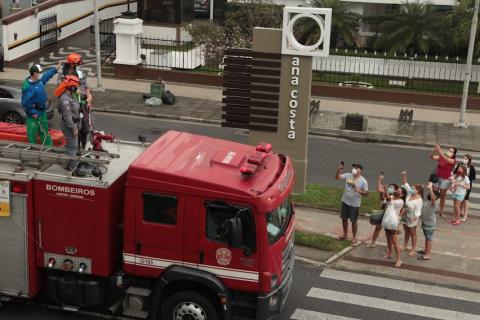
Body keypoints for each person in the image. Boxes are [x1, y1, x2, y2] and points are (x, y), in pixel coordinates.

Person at [21, 63, 62, 146]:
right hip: (34, 115)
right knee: (32, 134)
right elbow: (25, 102)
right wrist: (33, 112)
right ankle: (33, 151)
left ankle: (49, 148)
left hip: (42, 112)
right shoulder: (28, 87)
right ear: (34, 74)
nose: (40, 74)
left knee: (44, 132)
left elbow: (46, 76)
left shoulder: (38, 81)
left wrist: (55, 69)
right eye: (39, 73)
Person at [59, 53, 93, 150]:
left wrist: (89, 98)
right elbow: (61, 93)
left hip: (82, 104)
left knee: (85, 128)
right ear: (72, 64)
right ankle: (75, 149)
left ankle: (82, 147)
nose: (79, 67)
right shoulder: (63, 76)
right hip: (72, 106)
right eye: (77, 65)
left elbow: (85, 86)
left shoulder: (80, 72)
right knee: (74, 130)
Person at [335, 162, 369, 246]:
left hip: (354, 204)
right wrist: (339, 170)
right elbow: (337, 177)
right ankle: (345, 234)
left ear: (360, 171)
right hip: (345, 201)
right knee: (344, 218)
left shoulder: (363, 181)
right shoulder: (348, 175)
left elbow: (367, 193)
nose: (355, 169)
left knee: (353, 221)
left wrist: (359, 191)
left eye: (357, 168)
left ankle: (354, 237)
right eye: (354, 167)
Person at [55, 75, 82, 172]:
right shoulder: (64, 99)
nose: (76, 88)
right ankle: (72, 167)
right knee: (72, 147)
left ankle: (69, 163)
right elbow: (67, 115)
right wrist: (73, 128)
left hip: (74, 124)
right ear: (71, 87)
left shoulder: (70, 95)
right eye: (75, 86)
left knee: (71, 146)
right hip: (69, 126)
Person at [367, 172, 398, 248]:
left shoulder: (394, 197)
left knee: (389, 232)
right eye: (390, 187)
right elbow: (378, 188)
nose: (390, 188)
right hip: (381, 214)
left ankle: (391, 247)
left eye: (392, 187)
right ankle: (372, 242)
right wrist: (379, 180)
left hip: (389, 216)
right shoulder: (383, 193)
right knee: (377, 228)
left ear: (395, 190)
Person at [430, 144, 457, 217]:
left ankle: (441, 211)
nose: (449, 152)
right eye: (449, 150)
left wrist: (439, 150)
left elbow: (447, 160)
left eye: (451, 151)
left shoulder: (453, 160)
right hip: (437, 178)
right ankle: (432, 209)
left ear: (454, 154)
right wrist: (434, 151)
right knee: (434, 194)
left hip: (445, 180)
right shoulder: (442, 157)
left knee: (442, 196)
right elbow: (431, 157)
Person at [401, 171, 423, 257]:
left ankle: (413, 249)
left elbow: (418, 211)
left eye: (414, 188)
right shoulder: (410, 194)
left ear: (418, 191)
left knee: (413, 233)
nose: (411, 189)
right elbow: (405, 184)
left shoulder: (419, 200)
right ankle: (405, 245)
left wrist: (415, 217)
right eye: (412, 188)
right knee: (406, 231)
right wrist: (404, 175)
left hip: (412, 218)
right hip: (405, 216)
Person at [381, 187, 404, 268]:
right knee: (388, 239)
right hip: (386, 220)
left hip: (393, 222)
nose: (397, 191)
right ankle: (389, 253)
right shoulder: (391, 197)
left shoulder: (400, 201)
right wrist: (382, 193)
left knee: (394, 241)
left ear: (402, 194)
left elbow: (389, 201)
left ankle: (399, 259)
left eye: (399, 191)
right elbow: (384, 202)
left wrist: (386, 192)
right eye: (397, 190)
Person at [417, 182, 439, 261]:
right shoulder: (427, 201)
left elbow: (433, 198)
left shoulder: (434, 203)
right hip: (425, 222)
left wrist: (430, 189)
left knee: (429, 239)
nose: (431, 195)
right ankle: (425, 251)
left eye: (433, 195)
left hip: (429, 224)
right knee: (427, 238)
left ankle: (427, 255)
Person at [454, 154, 476, 222]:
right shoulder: (460, 164)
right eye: (463, 158)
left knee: (466, 199)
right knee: (460, 198)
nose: (464, 160)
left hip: (466, 184)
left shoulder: (471, 167)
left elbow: (473, 178)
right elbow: (455, 173)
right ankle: (460, 212)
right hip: (458, 184)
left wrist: (465, 177)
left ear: (469, 160)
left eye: (466, 159)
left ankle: (465, 216)